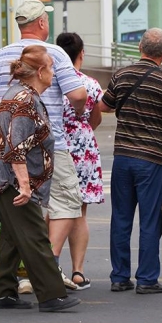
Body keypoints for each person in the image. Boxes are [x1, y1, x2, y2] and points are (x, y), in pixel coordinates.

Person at [0, 0, 87, 294]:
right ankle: (50, 270)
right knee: (64, 206)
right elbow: (77, 95)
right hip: (49, 148)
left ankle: (8, 285)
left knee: (14, 223)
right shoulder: (54, 56)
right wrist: (80, 114)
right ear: (42, 23)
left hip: (8, 150)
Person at [0, 45, 82, 313]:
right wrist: (25, 186)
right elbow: (17, 148)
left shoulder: (17, 94)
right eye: (51, 67)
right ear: (40, 71)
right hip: (13, 182)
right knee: (36, 235)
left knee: (13, 236)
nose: (53, 72)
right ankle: (51, 295)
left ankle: (4, 293)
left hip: (4, 178)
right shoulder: (25, 100)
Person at [97, 27, 162, 294]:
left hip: (123, 159)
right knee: (150, 220)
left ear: (140, 48)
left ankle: (119, 277)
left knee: (121, 218)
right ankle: (147, 279)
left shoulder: (121, 75)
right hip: (151, 160)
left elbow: (104, 105)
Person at [55, 32, 104, 290]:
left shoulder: (50, 83)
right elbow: (96, 119)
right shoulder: (90, 84)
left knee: (54, 210)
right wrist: (80, 128)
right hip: (83, 147)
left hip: (53, 146)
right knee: (79, 212)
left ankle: (50, 266)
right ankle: (78, 271)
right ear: (81, 54)